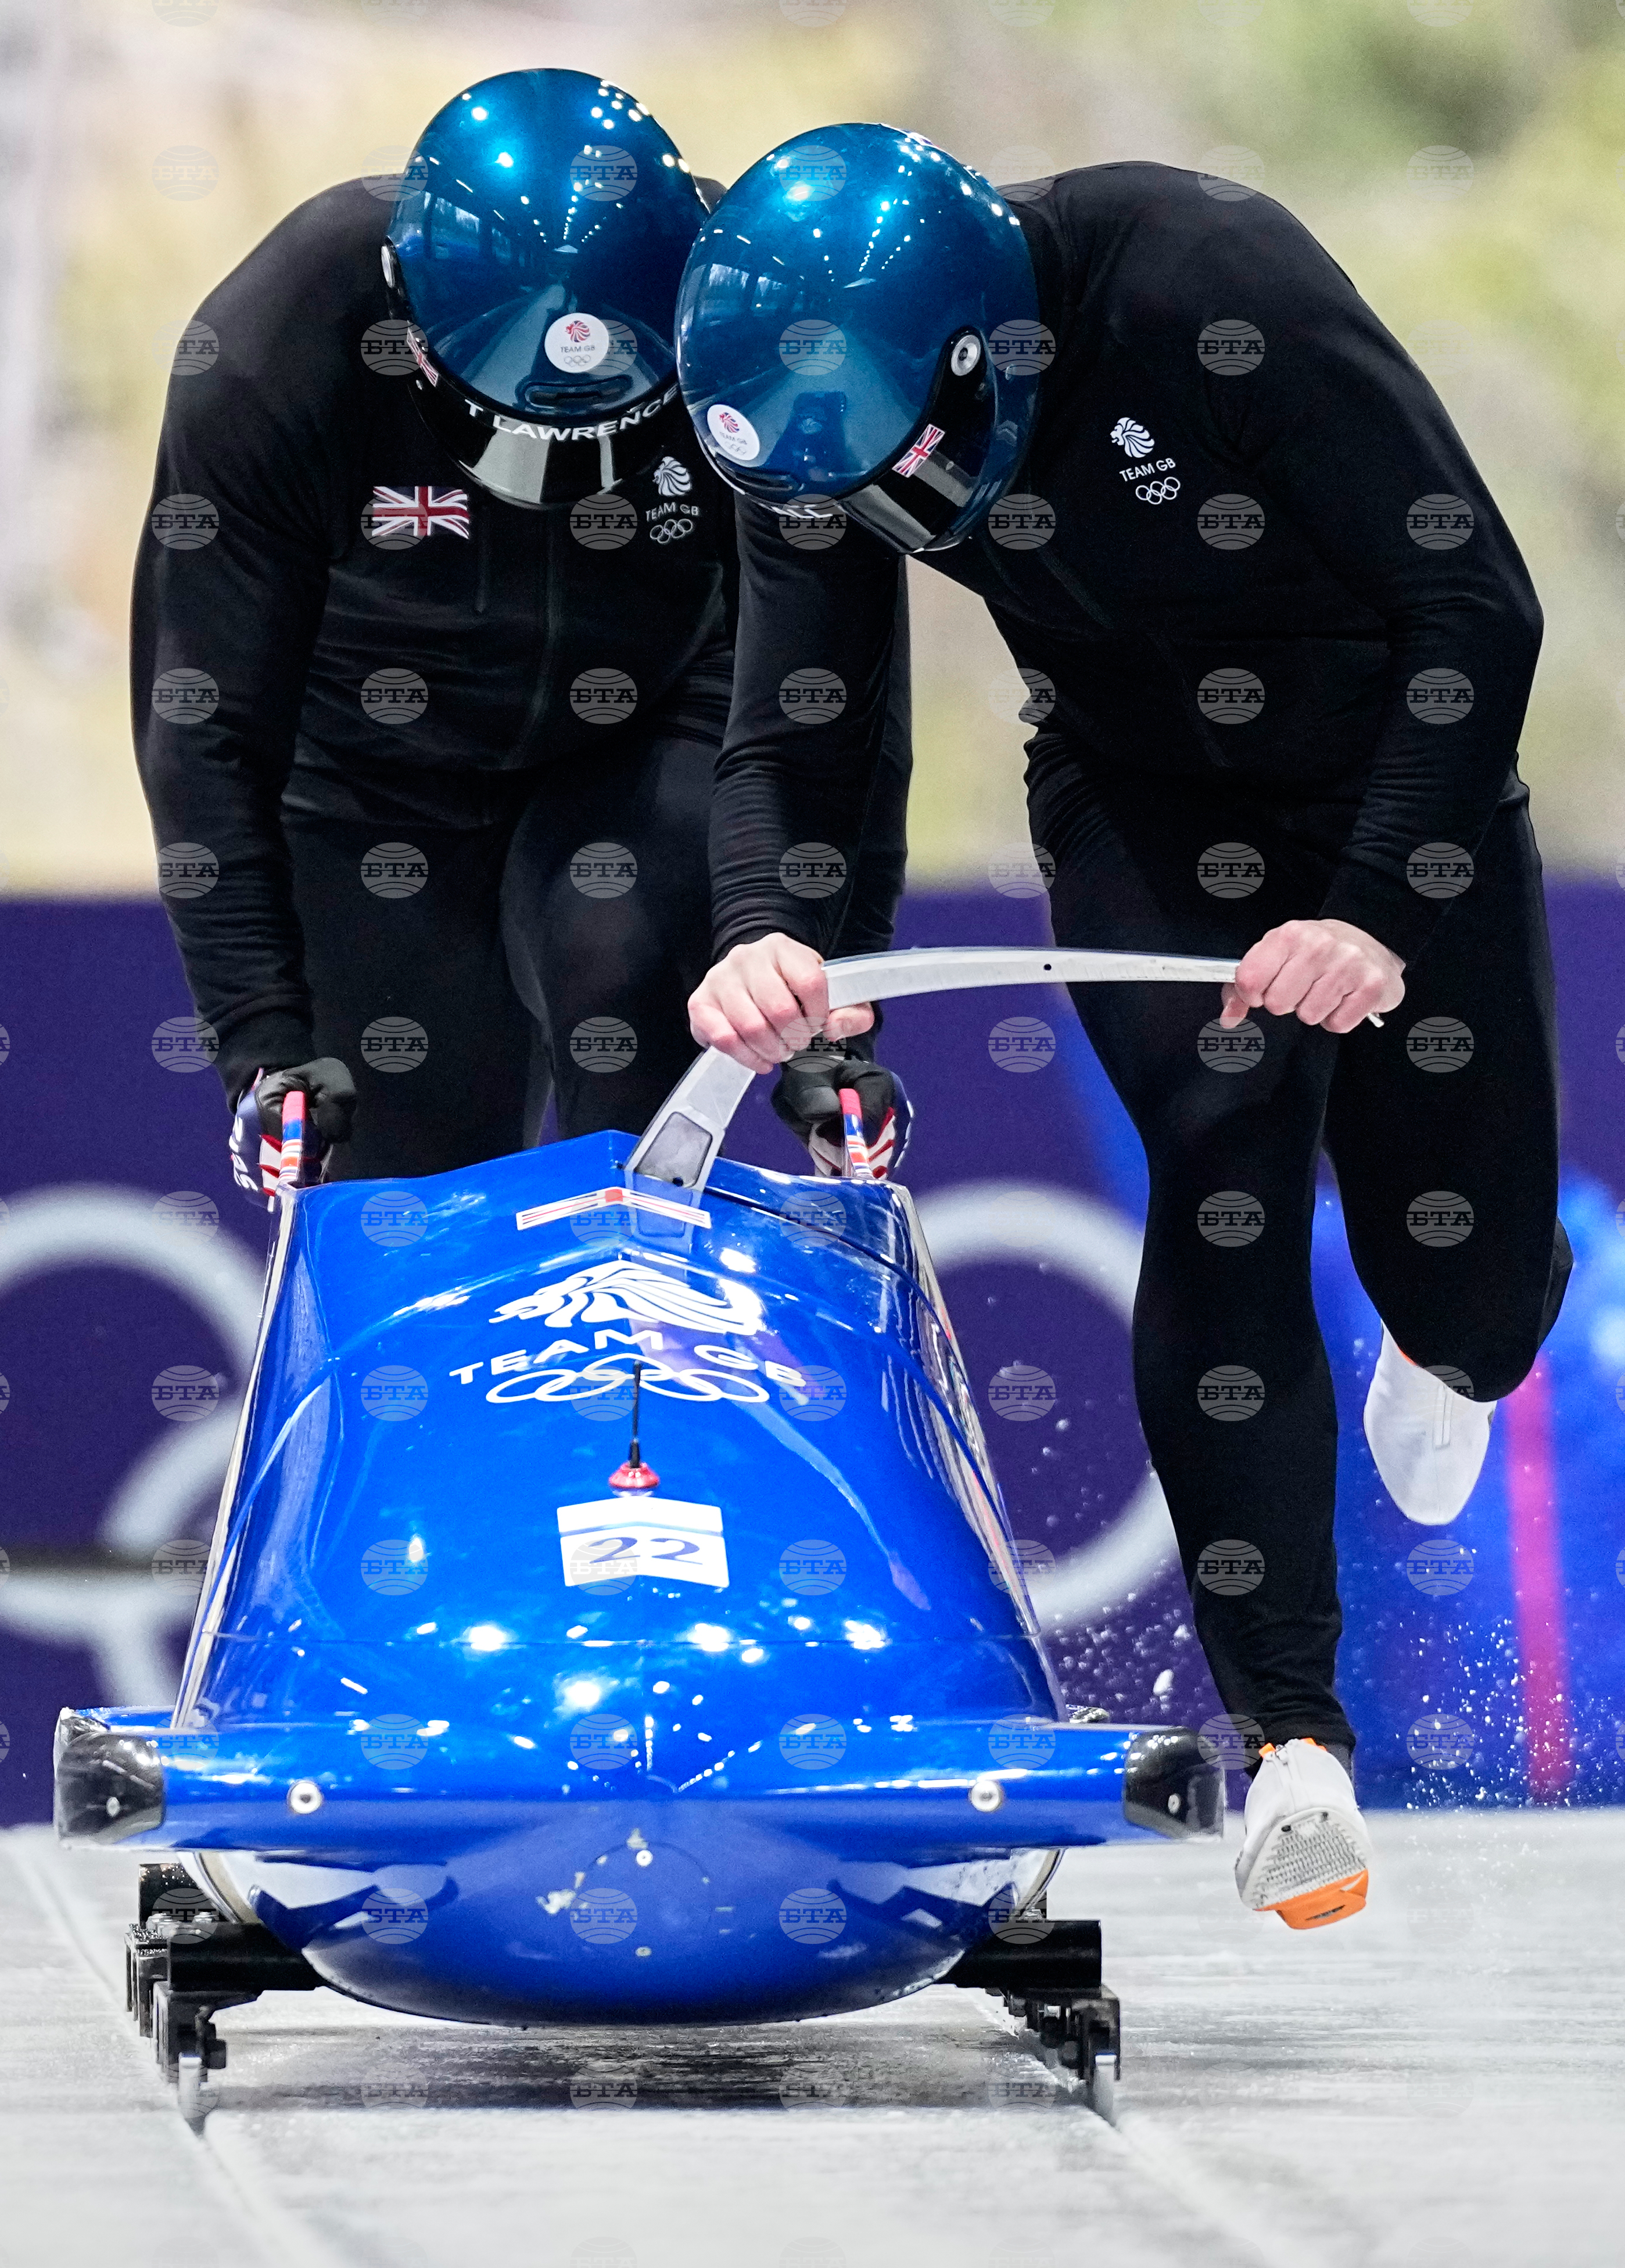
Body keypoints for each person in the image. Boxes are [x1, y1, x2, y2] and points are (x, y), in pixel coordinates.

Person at [673, 126, 1571, 1929]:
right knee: (1222, 1156)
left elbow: (1476, 604)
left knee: (1465, 1289)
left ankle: (1459, 1339)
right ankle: (1291, 1744)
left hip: (1398, 778)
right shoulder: (808, 432)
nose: (896, 505)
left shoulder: (1205, 284)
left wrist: (1380, 905)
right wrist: (766, 933)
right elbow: (797, 729)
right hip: (1140, 798)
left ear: (984, 349)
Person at [134, 69, 909, 1200]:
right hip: (365, 767)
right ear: (406, 319)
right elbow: (203, 722)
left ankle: (640, 1350)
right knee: (407, 1181)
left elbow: (835, 692)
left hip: (646, 728)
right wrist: (258, 1040)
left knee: (625, 992)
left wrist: (828, 1000)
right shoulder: (277, 341)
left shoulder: (763, 326)